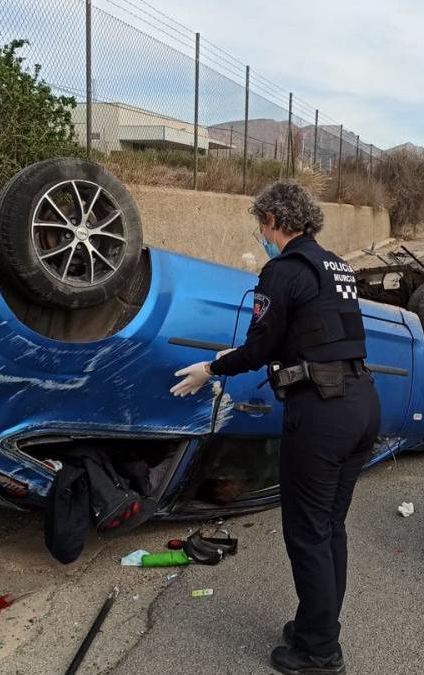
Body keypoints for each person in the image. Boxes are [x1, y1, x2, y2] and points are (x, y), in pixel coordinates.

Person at [171, 181, 380, 674]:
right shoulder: (336, 265)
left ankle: (319, 652)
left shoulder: (282, 270)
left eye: (260, 224)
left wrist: (213, 368)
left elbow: (261, 347)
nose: (260, 233)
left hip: (322, 413)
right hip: (361, 402)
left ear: (273, 221)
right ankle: (316, 626)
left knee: (307, 532)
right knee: (329, 527)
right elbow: (317, 333)